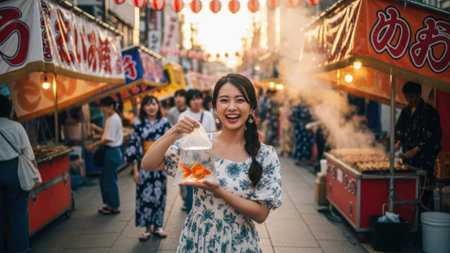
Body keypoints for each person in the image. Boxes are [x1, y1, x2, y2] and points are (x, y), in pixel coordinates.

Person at [141, 73, 282, 252]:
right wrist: (175, 130)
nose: (232, 107)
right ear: (215, 107)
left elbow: (261, 214)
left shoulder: (265, 155)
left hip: (238, 243)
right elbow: (148, 164)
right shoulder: (200, 145)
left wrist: (218, 190)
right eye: (224, 100)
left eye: (240, 100)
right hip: (197, 239)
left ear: (252, 107)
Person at [125, 95, 171, 241]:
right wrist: (135, 170)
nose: (151, 107)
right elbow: (133, 146)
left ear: (158, 106)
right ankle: (147, 229)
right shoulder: (138, 124)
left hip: (160, 166)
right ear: (143, 107)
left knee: (159, 196)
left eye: (154, 104)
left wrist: (168, 164)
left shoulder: (164, 123)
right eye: (148, 104)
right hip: (143, 166)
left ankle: (158, 226)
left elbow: (170, 143)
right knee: (144, 197)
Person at [395, 81, 442, 210]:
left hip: (423, 160)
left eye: (412, 97)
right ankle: (409, 213)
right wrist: (398, 143)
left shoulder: (429, 112)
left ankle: (423, 217)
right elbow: (400, 130)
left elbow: (432, 136)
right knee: (408, 187)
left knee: (423, 189)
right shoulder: (406, 111)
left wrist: (415, 150)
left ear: (419, 95)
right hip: (407, 158)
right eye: (407, 97)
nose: (409, 100)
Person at [0, 95, 35, 253]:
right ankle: (19, 249)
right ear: (8, 109)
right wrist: (35, 174)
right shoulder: (16, 127)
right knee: (17, 213)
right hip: (13, 172)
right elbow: (28, 153)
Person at [177, 89, 217, 213]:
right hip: (189, 157)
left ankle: (204, 211)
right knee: (190, 187)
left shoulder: (208, 115)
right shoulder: (183, 116)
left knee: (205, 185)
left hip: (205, 157)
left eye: (198, 98)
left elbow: (212, 135)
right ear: (189, 101)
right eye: (193, 99)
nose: (196, 101)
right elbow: (180, 137)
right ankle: (191, 211)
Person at [87, 96, 124, 215]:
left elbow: (108, 139)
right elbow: (107, 134)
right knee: (104, 179)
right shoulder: (111, 118)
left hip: (111, 152)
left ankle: (114, 206)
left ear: (111, 106)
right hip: (110, 152)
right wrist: (97, 129)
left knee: (109, 180)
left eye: (104, 107)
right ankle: (109, 204)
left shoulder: (113, 119)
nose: (102, 109)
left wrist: (93, 145)